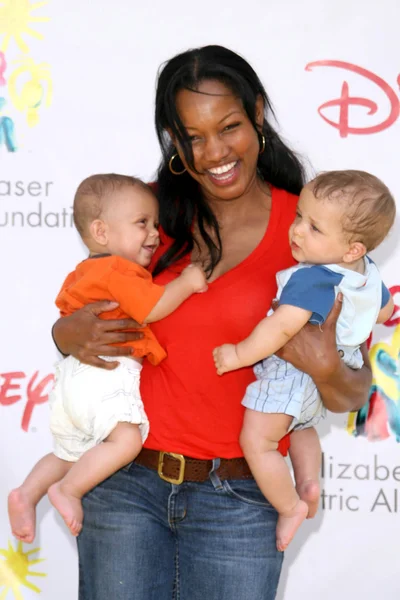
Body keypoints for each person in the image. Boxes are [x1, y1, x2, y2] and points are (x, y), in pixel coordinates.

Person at [52, 46, 373, 600]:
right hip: (122, 487)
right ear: (174, 141)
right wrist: (64, 335)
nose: (214, 152)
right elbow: (80, 313)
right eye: (193, 136)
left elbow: (351, 391)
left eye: (228, 127)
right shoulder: (142, 217)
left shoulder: (314, 231)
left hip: (241, 501)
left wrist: (326, 368)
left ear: (257, 113)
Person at [8, 173, 207, 542]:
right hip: (107, 377)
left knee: (69, 453)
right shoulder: (119, 270)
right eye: (142, 224)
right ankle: (69, 491)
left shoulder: (84, 271)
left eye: (156, 224)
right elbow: (153, 307)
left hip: (73, 380)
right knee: (126, 442)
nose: (154, 234)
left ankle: (27, 493)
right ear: (101, 232)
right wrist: (188, 282)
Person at [213, 169, 395, 551]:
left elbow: (281, 328)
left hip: (293, 371)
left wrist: (237, 354)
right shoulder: (367, 274)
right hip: (337, 364)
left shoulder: (314, 278)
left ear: (352, 250)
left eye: (314, 228)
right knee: (302, 428)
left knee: (258, 440)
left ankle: (290, 505)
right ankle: (309, 480)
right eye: (299, 216)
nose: (297, 231)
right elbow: (384, 311)